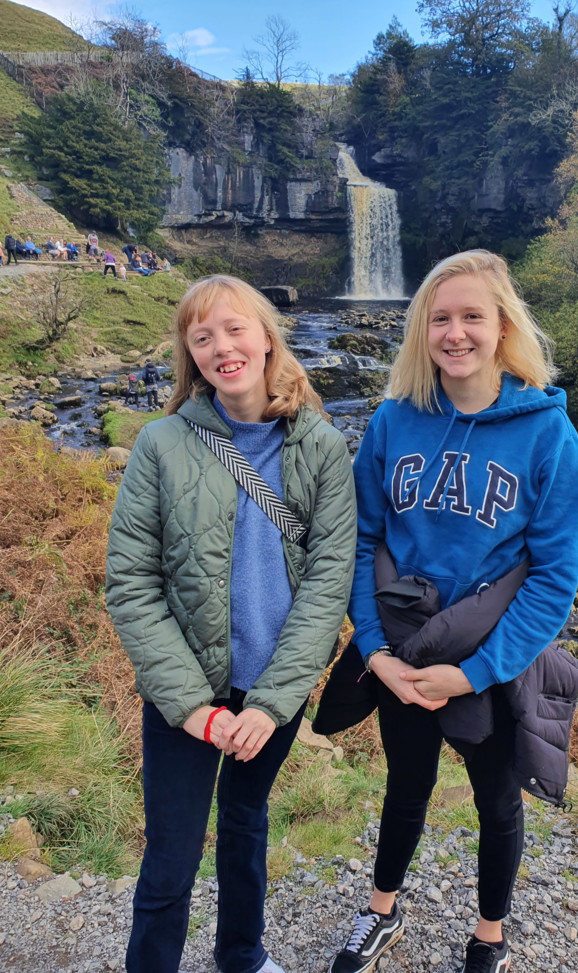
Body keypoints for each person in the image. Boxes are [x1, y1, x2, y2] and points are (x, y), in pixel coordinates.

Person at [329, 250, 578, 973]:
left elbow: (553, 578)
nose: (455, 332)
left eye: (472, 315)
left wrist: (474, 674)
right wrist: (374, 651)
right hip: (403, 651)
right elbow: (362, 540)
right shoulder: (391, 421)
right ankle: (382, 912)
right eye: (440, 317)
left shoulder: (547, 435)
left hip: (492, 657)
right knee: (404, 786)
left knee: (498, 802)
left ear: (502, 326)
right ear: (422, 331)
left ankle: (489, 933)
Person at [106, 274, 356, 973]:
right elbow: (130, 581)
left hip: (272, 690)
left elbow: (329, 582)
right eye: (203, 335)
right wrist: (190, 704)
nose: (223, 346)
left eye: (235, 327)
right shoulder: (160, 444)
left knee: (246, 824)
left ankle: (242, 954)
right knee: (172, 854)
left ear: (268, 334)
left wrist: (276, 700)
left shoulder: (322, 447)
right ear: (191, 353)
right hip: (186, 692)